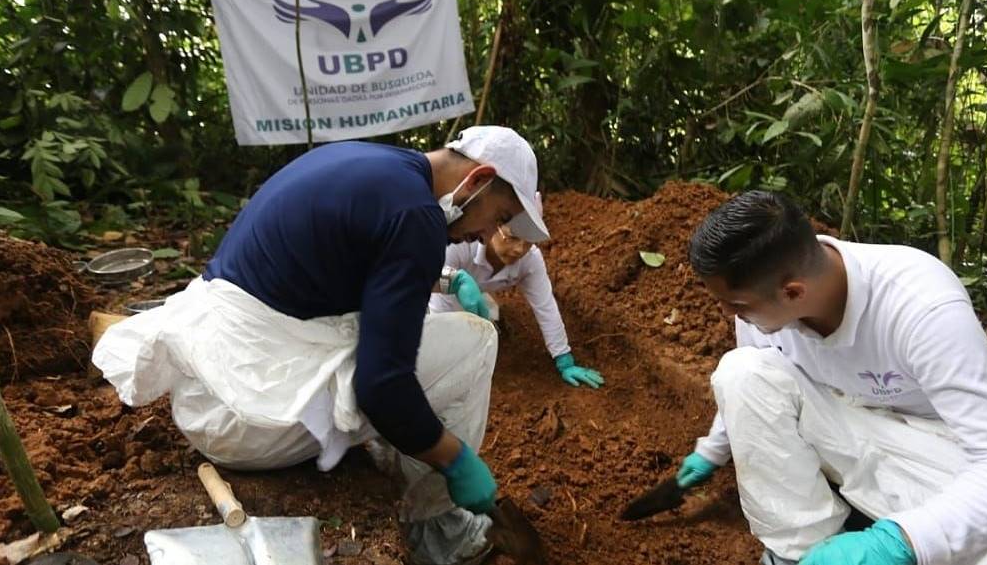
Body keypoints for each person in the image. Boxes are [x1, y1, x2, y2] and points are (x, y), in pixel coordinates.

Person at [92, 126, 549, 565]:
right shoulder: (417, 217)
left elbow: (356, 263)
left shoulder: (372, 164)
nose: (487, 235)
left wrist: (444, 277)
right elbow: (382, 388)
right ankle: (438, 533)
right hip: (249, 423)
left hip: (210, 390)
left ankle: (395, 454)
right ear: (480, 180)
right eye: (501, 217)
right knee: (475, 339)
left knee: (382, 333)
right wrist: (456, 460)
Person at [673, 190, 987, 565]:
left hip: (931, 446)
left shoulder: (920, 304)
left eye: (735, 305)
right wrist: (712, 450)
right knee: (742, 369)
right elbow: (758, 384)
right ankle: (801, 553)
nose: (726, 313)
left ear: (792, 292)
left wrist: (899, 542)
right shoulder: (762, 306)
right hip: (845, 422)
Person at [428, 202, 604, 389]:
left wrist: (564, 358)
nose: (519, 249)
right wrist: (446, 360)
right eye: (512, 237)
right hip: (435, 290)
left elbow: (545, 306)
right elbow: (437, 300)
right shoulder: (459, 245)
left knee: (484, 317)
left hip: (478, 289)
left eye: (529, 241)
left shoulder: (529, 260)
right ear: (492, 225)